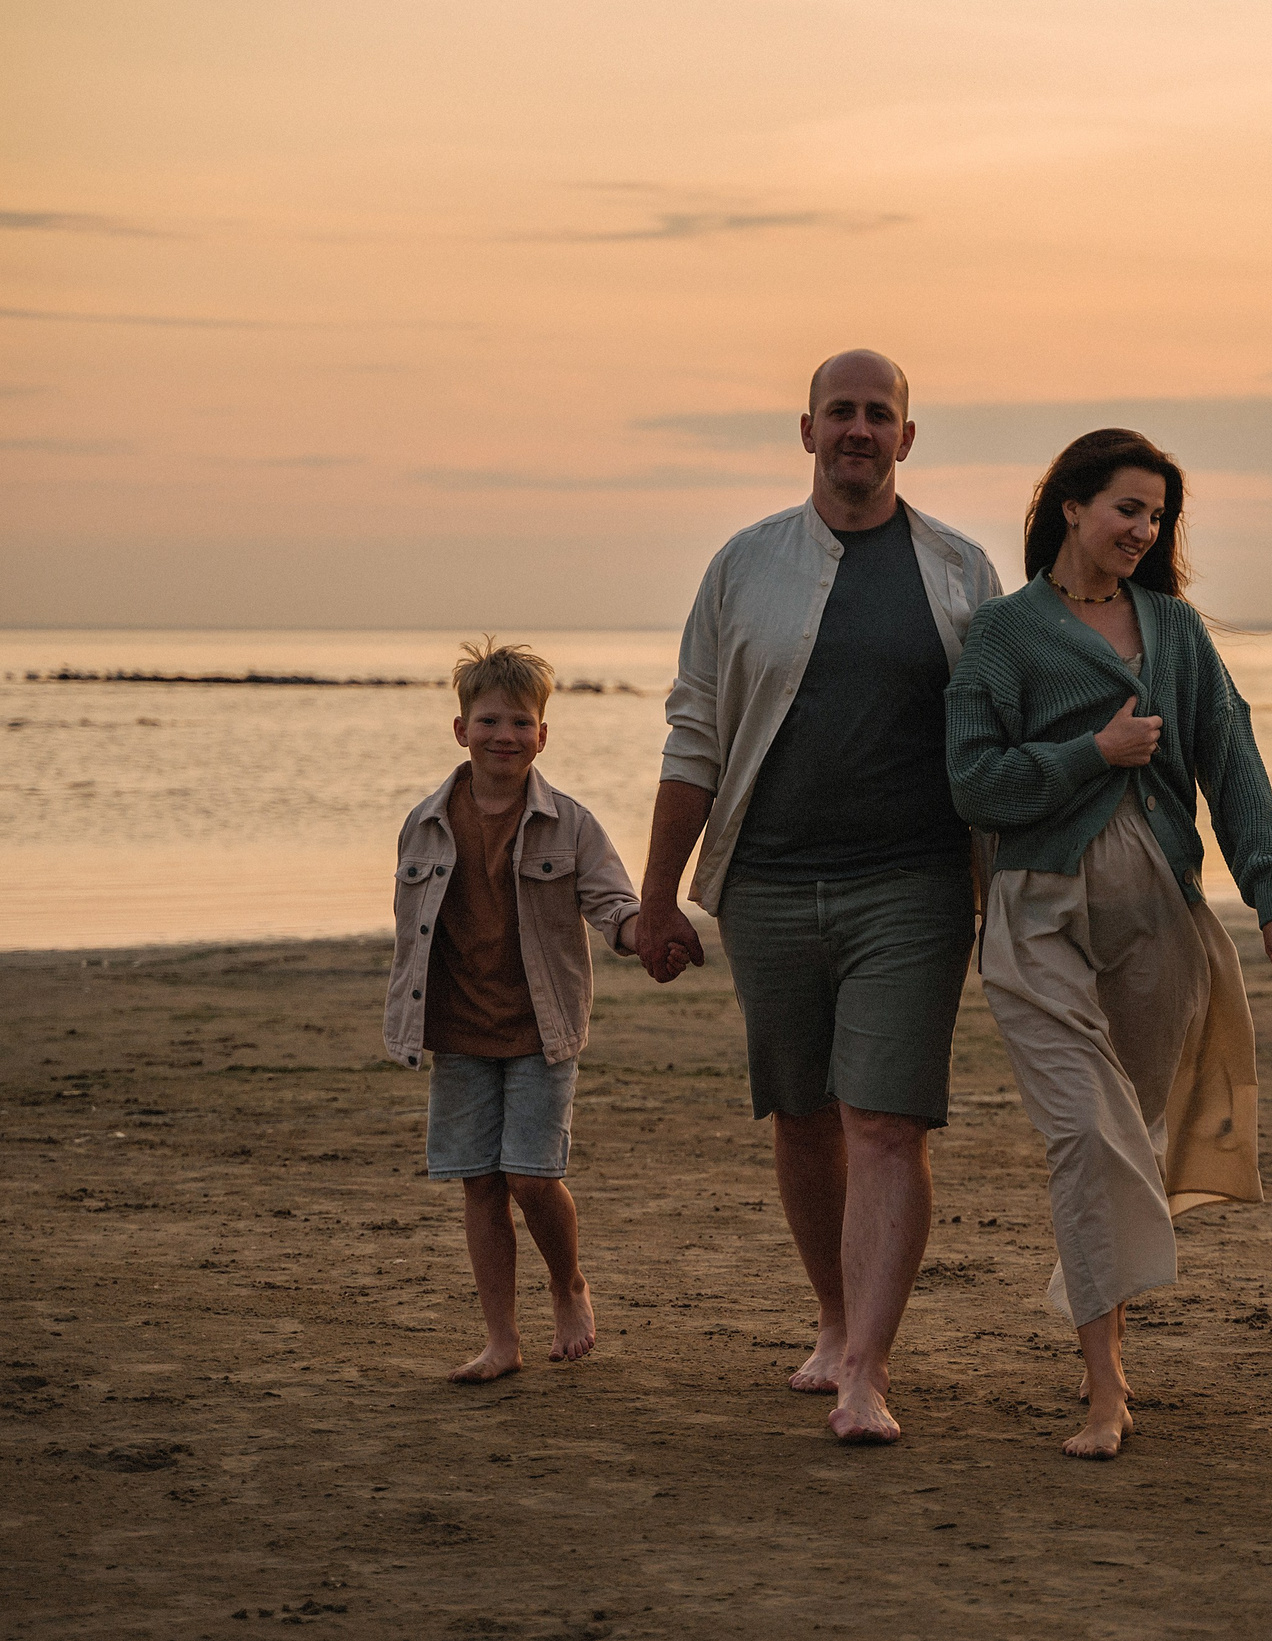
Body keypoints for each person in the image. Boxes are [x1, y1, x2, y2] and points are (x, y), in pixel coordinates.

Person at [634, 349, 1003, 1444]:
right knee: (802, 1116)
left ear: (906, 437)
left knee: (886, 1120)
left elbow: (1002, 731)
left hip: (915, 885)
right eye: (838, 412)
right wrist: (659, 898)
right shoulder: (743, 566)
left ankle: (867, 1375)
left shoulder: (960, 570)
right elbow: (696, 732)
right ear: (805, 432)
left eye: (877, 413)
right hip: (770, 884)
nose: (857, 429)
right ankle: (835, 1323)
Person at [945, 427, 1272, 1460]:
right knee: (1089, 1133)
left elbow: (1231, 763)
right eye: (1125, 508)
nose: (1141, 530)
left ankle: (1099, 1348)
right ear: (1069, 505)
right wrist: (1091, 752)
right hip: (1035, 911)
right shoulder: (1001, 636)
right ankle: (1104, 1389)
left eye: (1155, 516)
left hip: (1157, 909)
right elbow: (973, 786)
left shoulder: (1174, 629)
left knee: (1128, 1138)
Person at [383, 638, 643, 1383]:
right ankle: (501, 1338)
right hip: (460, 1031)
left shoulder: (572, 823)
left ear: (543, 734)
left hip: (541, 1028)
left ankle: (569, 1285)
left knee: (531, 1176)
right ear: (460, 728)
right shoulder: (425, 822)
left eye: (522, 723)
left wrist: (642, 935)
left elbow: (612, 902)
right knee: (480, 1182)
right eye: (491, 720)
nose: (507, 735)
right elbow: (415, 931)